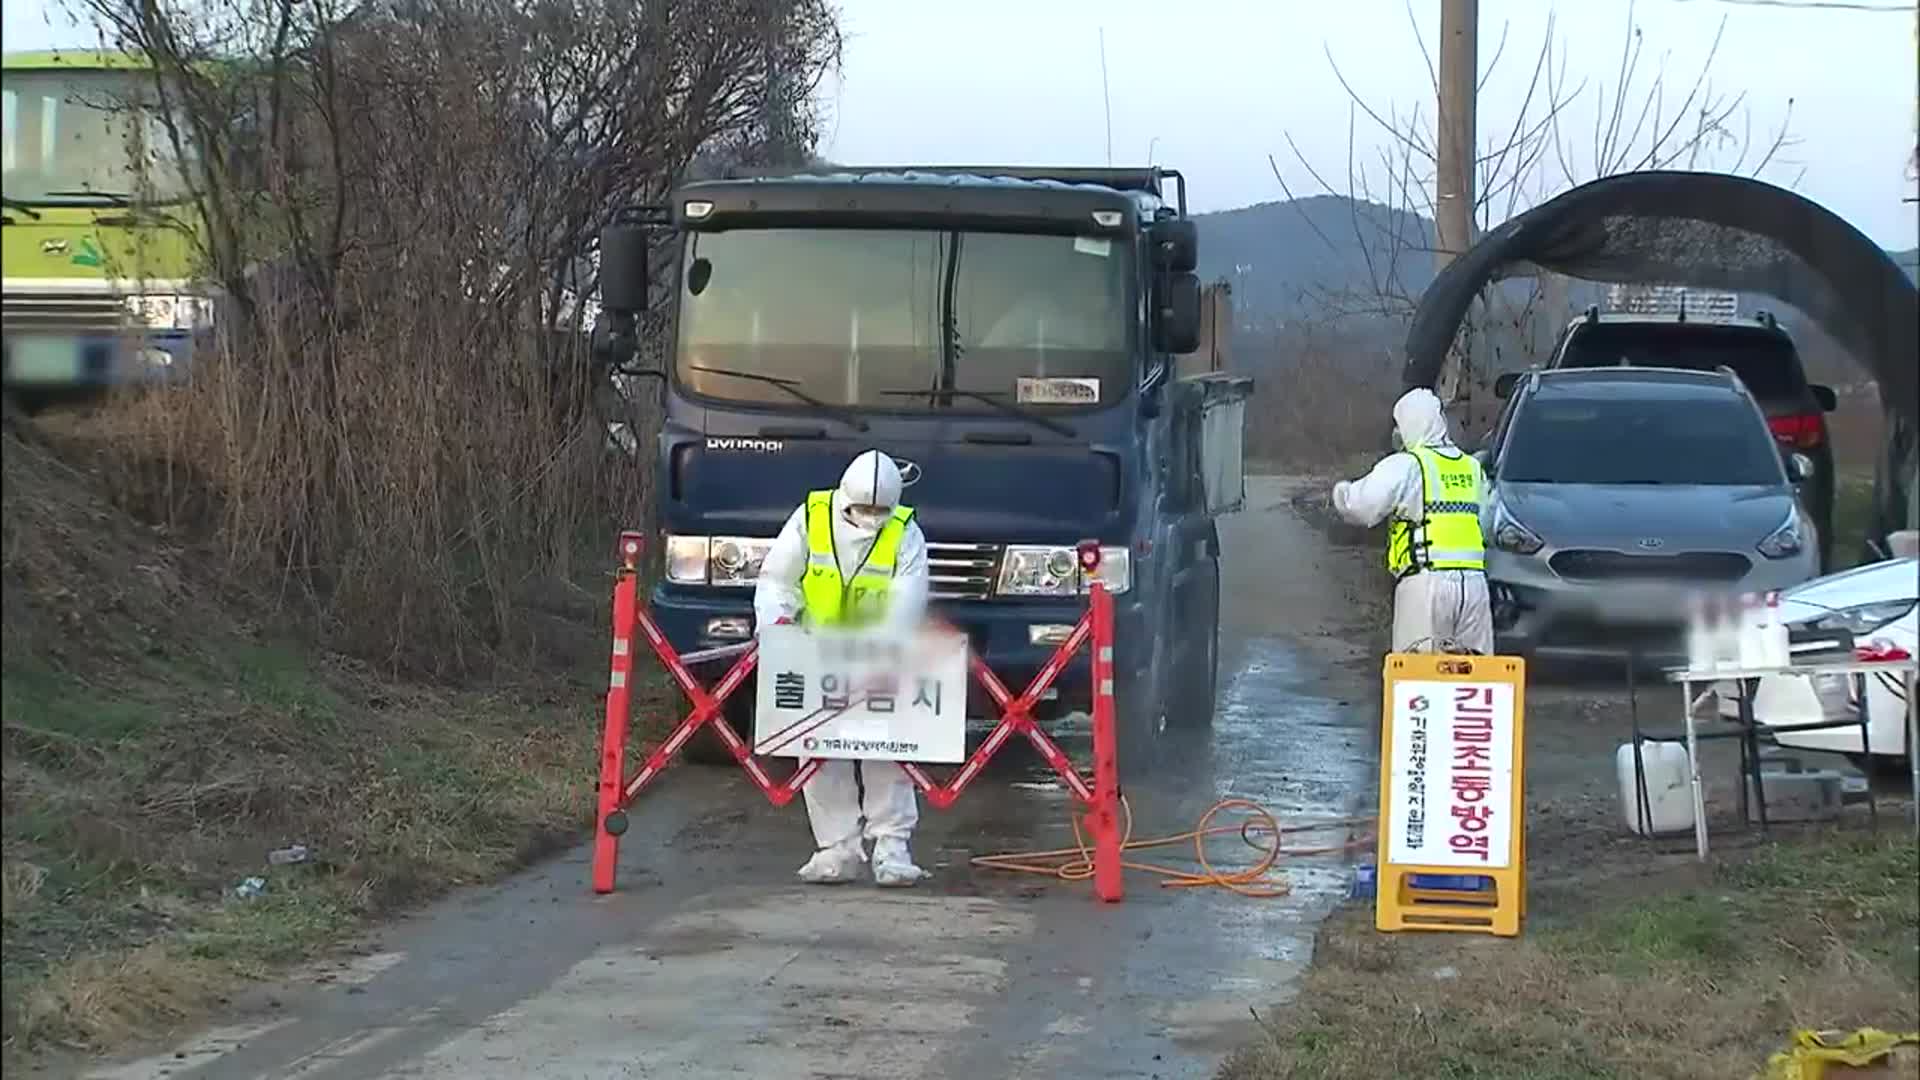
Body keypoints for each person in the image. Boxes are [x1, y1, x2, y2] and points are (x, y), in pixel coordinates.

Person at [753, 449, 933, 887]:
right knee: (818, 748)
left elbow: (907, 598)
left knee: (886, 749)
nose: (872, 518)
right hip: (814, 653)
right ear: (844, 499)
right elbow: (778, 579)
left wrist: (886, 642)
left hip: (876, 658)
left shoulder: (905, 532)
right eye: (863, 510)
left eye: (880, 512)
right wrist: (778, 625)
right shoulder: (811, 519)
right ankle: (836, 847)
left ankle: (892, 847)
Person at [1331, 387, 1493, 655]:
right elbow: (1487, 524)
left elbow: (1361, 507)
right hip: (1475, 587)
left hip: (1425, 585)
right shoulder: (1472, 468)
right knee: (1477, 671)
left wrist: (1341, 492)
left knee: (1417, 674)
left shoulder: (1408, 465)